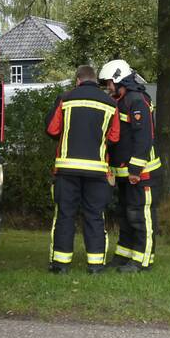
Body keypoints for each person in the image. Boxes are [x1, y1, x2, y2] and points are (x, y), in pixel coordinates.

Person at [44, 65, 121, 274]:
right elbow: (114, 137)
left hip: (66, 170)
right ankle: (95, 266)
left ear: (78, 79)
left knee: (65, 216)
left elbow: (52, 129)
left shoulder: (66, 98)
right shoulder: (110, 103)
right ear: (95, 80)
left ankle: (60, 265)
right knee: (95, 216)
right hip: (97, 171)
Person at [98, 59, 162, 272]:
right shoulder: (120, 100)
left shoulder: (137, 100)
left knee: (140, 216)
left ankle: (142, 261)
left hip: (141, 173)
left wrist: (135, 170)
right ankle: (124, 256)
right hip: (124, 173)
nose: (108, 87)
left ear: (118, 78)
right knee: (125, 215)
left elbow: (144, 137)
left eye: (109, 82)